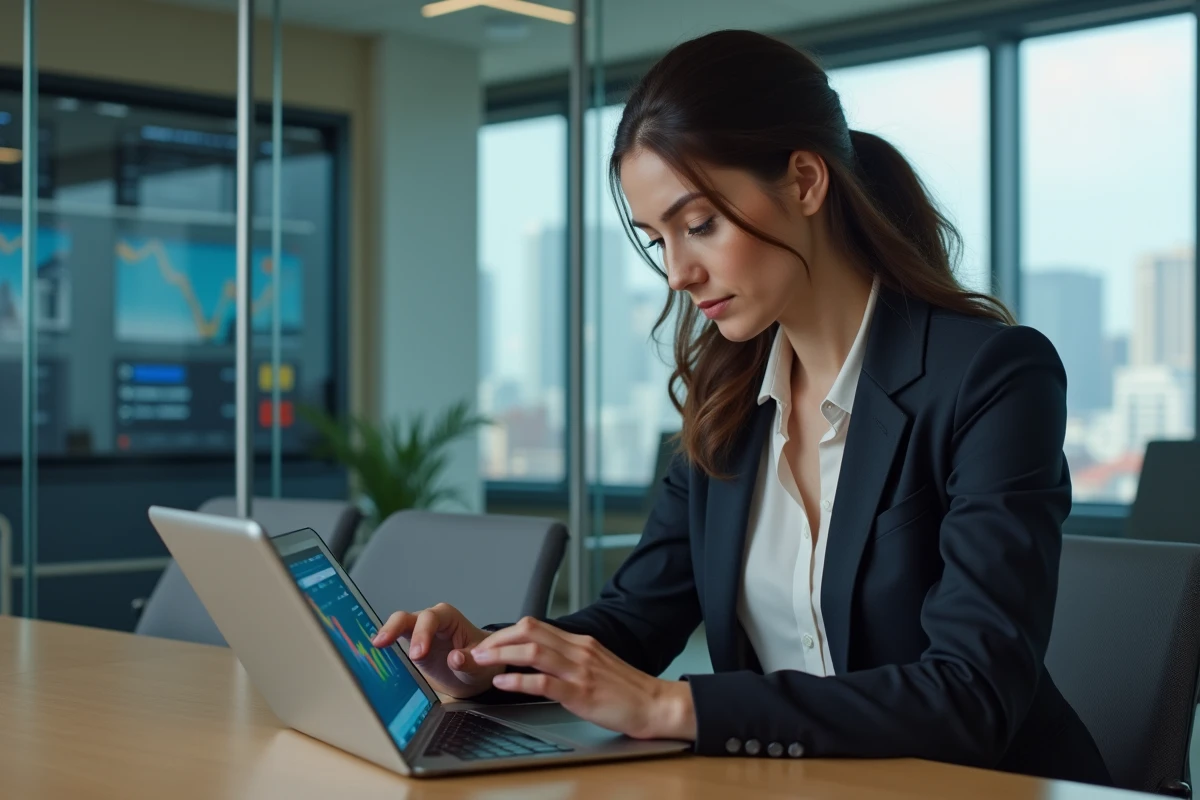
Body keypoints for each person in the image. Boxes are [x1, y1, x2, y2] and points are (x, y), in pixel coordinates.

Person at [372, 29, 1111, 786]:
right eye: (657, 239)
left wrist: (675, 709)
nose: (677, 274)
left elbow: (972, 695)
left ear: (804, 181)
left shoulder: (990, 376)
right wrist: (484, 662)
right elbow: (633, 624)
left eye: (699, 225)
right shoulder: (724, 403)